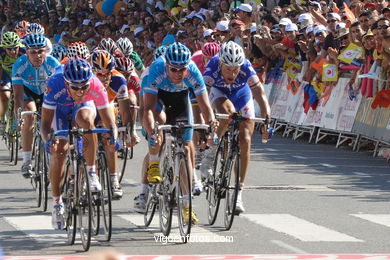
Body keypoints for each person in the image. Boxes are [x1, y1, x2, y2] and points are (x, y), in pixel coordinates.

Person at [41, 58, 118, 230]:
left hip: (82, 108)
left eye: (84, 86)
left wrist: (114, 137)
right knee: (60, 150)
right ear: (67, 83)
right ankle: (57, 204)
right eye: (75, 87)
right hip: (59, 110)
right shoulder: (55, 83)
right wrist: (48, 140)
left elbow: (109, 122)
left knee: (87, 123)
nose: (80, 91)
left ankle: (91, 173)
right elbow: (45, 125)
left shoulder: (95, 84)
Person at [143, 42, 216, 223]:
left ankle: (186, 206)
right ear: (167, 65)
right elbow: (148, 109)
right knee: (159, 122)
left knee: (184, 148)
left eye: (181, 69)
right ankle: (154, 164)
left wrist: (212, 127)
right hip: (159, 98)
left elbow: (206, 107)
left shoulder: (193, 72)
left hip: (180, 100)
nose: (177, 73)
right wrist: (152, 132)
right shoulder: (157, 69)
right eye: (173, 69)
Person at [202, 41, 271, 214]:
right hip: (219, 94)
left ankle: (238, 193)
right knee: (228, 114)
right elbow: (201, 97)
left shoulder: (246, 67)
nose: (232, 73)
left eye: (235, 69)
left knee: (246, 140)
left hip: (241, 94)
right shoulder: (212, 67)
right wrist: (208, 123)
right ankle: (210, 154)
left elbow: (261, 96)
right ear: (220, 63)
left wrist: (267, 120)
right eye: (228, 69)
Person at [12, 33, 60, 178]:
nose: (37, 55)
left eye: (41, 51)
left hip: (47, 93)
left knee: (52, 120)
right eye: (33, 52)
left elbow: (59, 92)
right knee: (30, 115)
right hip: (28, 93)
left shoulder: (53, 64)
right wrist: (19, 115)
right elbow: (18, 95)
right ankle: (27, 162)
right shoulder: (19, 65)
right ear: (26, 52)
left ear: (46, 51)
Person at [91, 50, 133, 199]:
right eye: (99, 74)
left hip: (107, 106)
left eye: (107, 73)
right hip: (89, 106)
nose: (104, 78)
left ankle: (114, 178)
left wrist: (129, 133)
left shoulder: (119, 80)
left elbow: (125, 110)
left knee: (109, 137)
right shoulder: (87, 80)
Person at [0, 32, 25, 133]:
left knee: (20, 98)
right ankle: (2, 118)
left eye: (15, 47)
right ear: (4, 48)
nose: (13, 51)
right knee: (5, 96)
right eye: (9, 49)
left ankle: (16, 121)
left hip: (20, 76)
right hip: (6, 75)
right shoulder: (0, 53)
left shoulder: (24, 52)